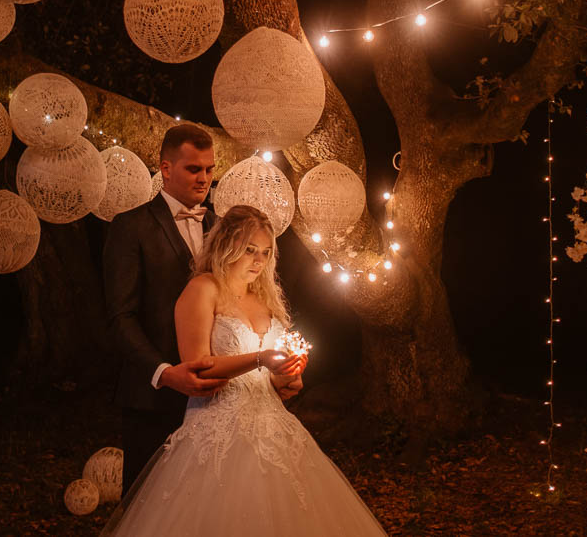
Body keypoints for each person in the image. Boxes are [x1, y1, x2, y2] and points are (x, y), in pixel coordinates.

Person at [100, 205, 389, 536]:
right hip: (216, 425)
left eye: (265, 253)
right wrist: (260, 359)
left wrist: (289, 374)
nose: (258, 260)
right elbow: (198, 368)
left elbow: (275, 379)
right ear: (227, 245)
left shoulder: (266, 298)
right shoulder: (203, 288)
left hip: (275, 427)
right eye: (250, 250)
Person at [102, 122, 228, 493]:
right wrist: (164, 371)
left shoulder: (220, 228)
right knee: (148, 506)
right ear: (166, 169)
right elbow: (119, 317)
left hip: (213, 394)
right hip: (152, 396)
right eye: (193, 169)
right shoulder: (130, 226)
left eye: (209, 169)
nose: (204, 178)